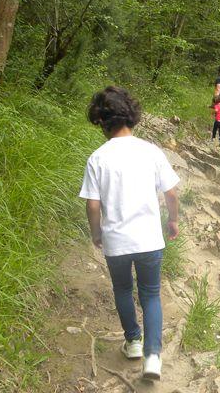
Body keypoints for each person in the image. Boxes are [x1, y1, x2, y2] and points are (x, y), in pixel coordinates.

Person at [79, 86, 180, 381]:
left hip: (116, 241)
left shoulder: (97, 158)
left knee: (123, 290)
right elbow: (171, 193)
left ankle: (133, 341)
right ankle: (152, 358)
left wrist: (96, 233)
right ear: (131, 116)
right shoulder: (150, 151)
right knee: (150, 294)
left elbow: (93, 204)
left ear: (101, 121)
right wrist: (172, 221)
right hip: (149, 238)